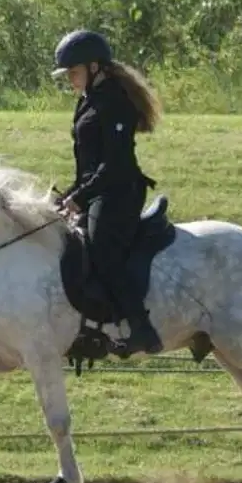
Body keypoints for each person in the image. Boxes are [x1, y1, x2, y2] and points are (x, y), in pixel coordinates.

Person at [52, 29, 163, 356]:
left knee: (101, 249)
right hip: (97, 189)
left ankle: (141, 327)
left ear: (95, 67)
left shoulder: (116, 102)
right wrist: (68, 194)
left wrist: (80, 196)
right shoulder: (87, 100)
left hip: (120, 192)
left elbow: (115, 164)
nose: (70, 80)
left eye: (73, 72)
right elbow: (88, 165)